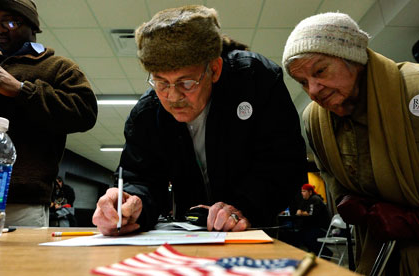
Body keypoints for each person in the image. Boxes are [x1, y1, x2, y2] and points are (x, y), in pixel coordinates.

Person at [93, 5, 307, 236]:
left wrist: (244, 206)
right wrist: (131, 203)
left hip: (251, 226)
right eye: (161, 82)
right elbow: (141, 177)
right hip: (190, 231)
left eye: (187, 83)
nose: (173, 97)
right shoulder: (147, 113)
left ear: (214, 69)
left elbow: (284, 162)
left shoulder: (256, 81)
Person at [282, 12, 419, 275]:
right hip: (378, 256)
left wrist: (414, 221)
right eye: (302, 82)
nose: (313, 90)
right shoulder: (315, 120)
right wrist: (348, 200)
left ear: (354, 58)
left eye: (320, 70)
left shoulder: (413, 90)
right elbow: (335, 182)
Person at [0, 0, 97, 227]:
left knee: (19, 263)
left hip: (20, 201)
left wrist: (20, 89)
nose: (0, 30)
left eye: (10, 22)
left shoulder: (58, 67)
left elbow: (85, 113)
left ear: (33, 25)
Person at [295, 184, 331, 256]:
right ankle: (317, 253)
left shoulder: (315, 199)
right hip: (313, 226)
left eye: (304, 191)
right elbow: (299, 211)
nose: (302, 193)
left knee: (307, 236)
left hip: (321, 227)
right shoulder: (306, 200)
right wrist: (302, 212)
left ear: (310, 192)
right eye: (302, 191)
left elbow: (310, 214)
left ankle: (326, 253)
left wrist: (302, 212)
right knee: (300, 235)